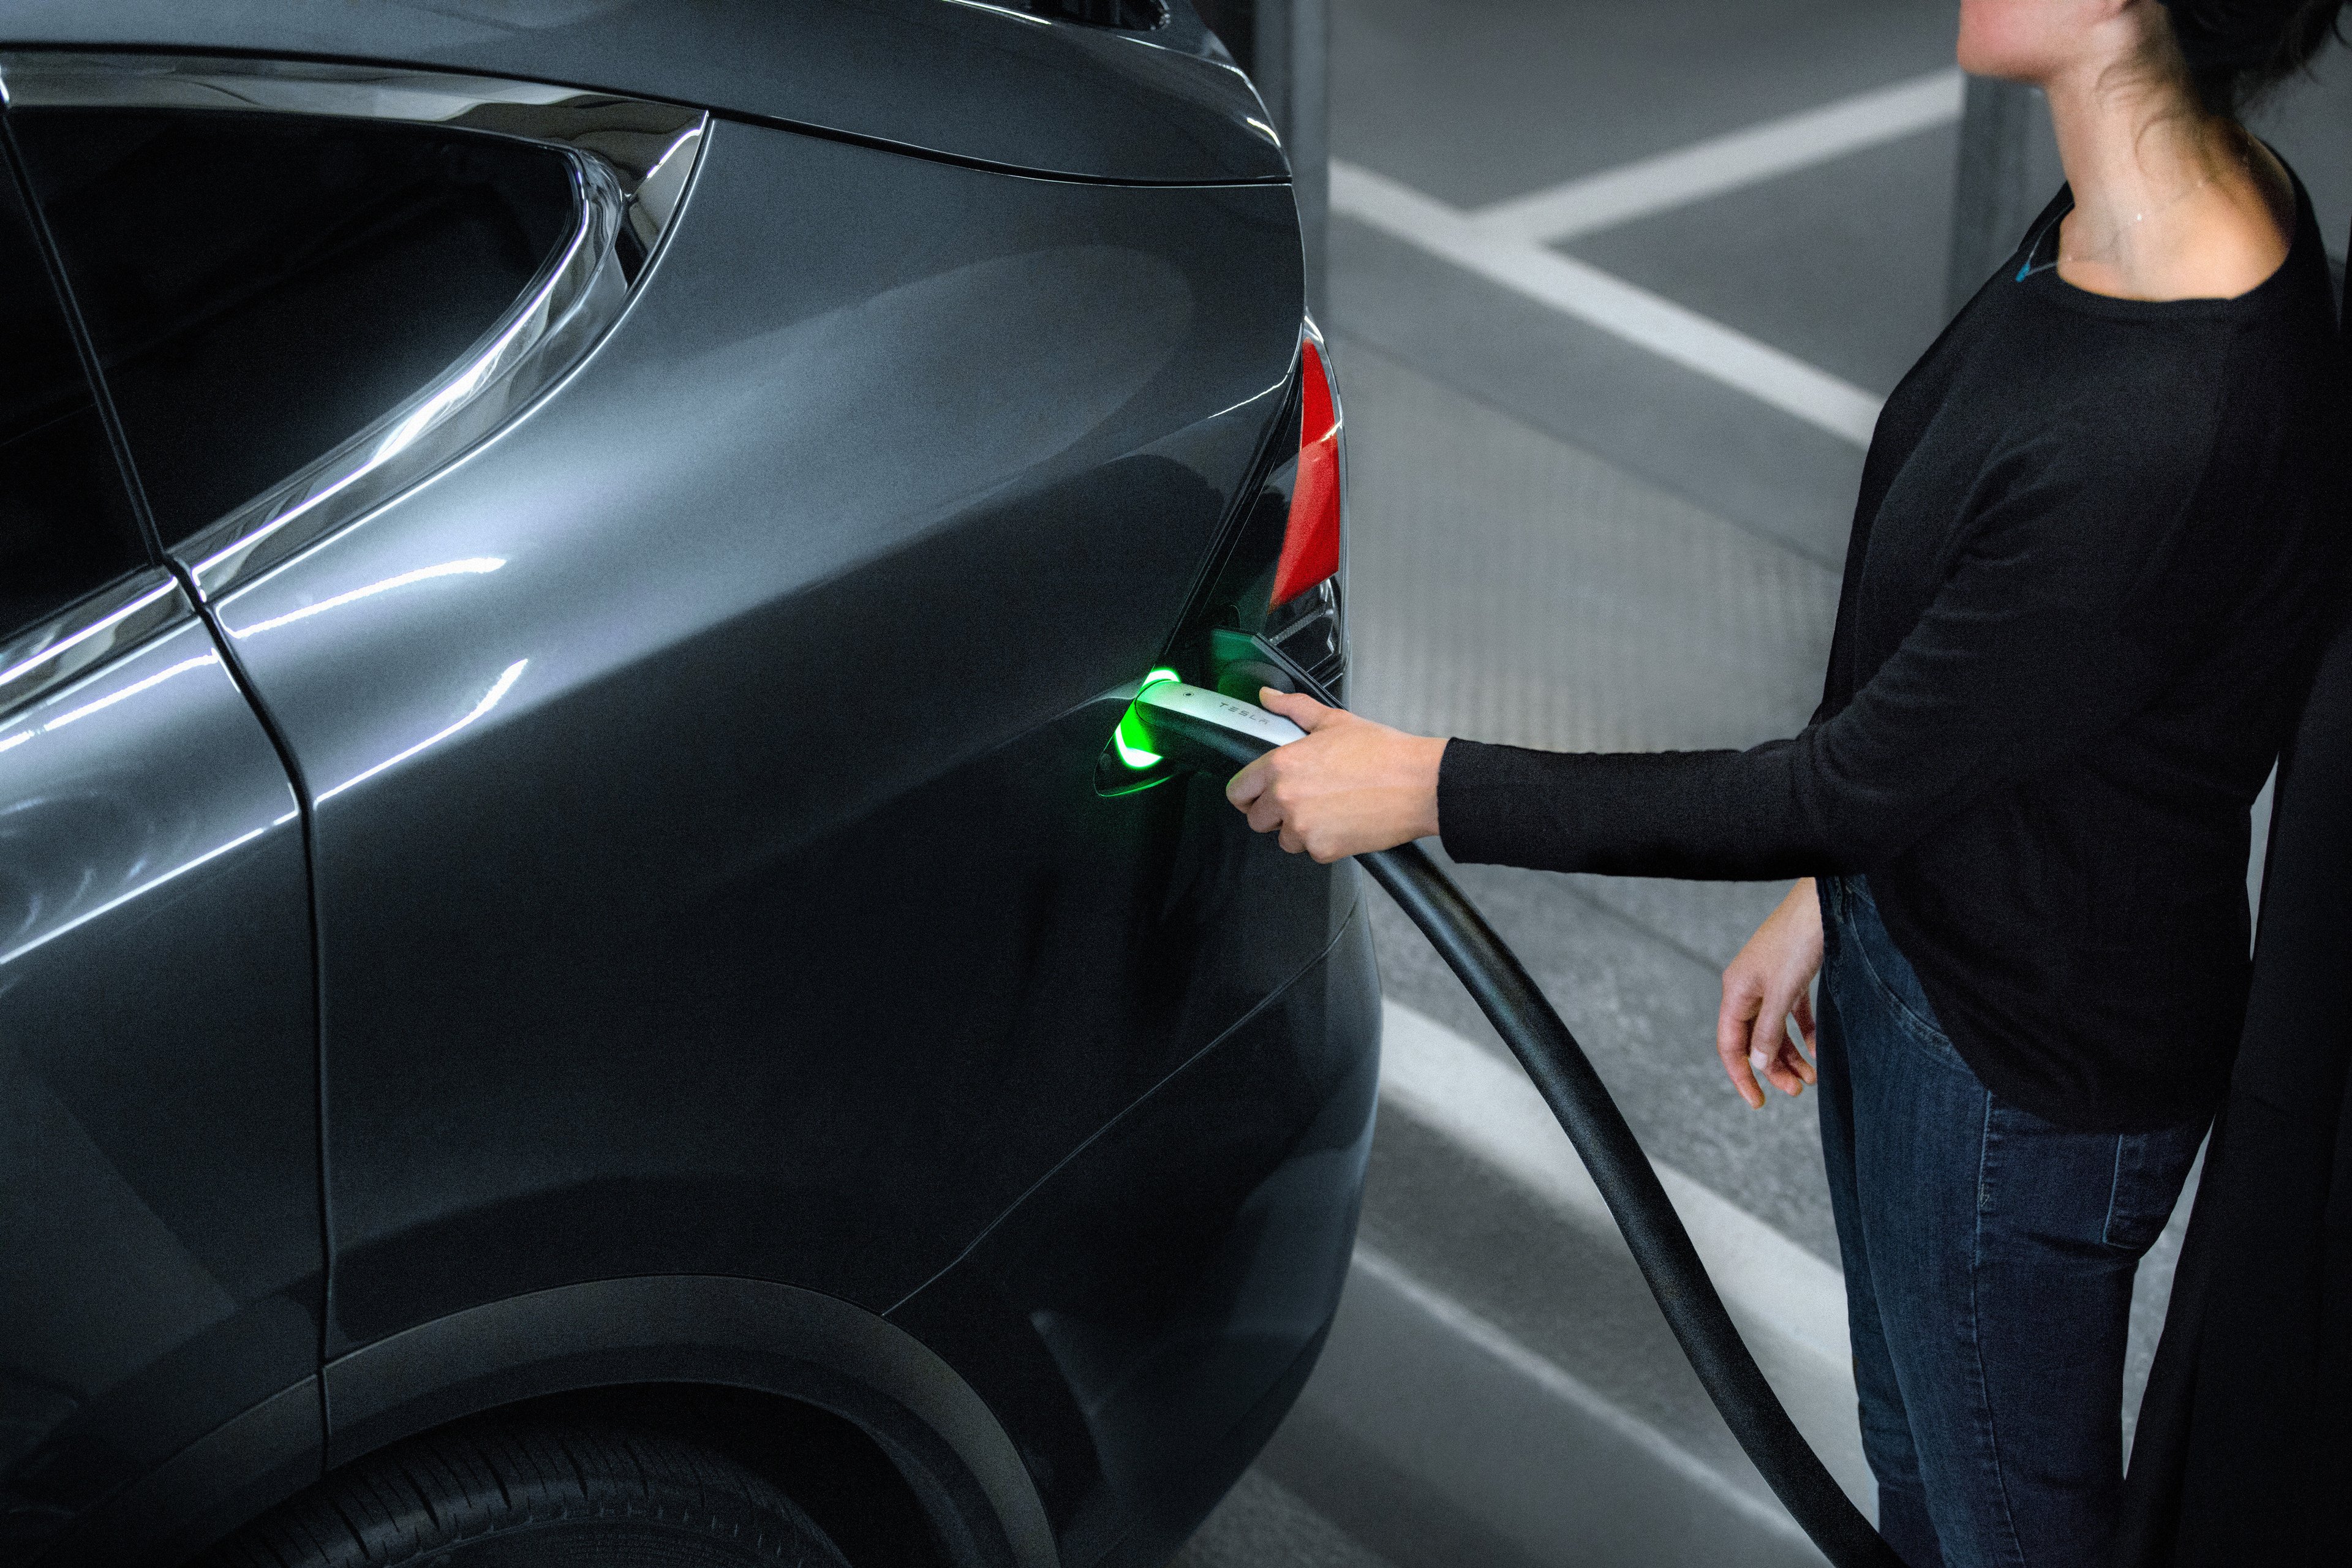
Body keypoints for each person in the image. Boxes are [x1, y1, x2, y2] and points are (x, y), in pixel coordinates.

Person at [1221, 2, 2351, 1564]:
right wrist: (1843, 897)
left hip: (2014, 1084)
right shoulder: (2136, 215)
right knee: (1913, 1466)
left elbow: (1854, 774)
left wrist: (1424, 782)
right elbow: (1998, 691)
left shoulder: (2174, 411)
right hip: (1934, 953)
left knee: (2001, 1528)